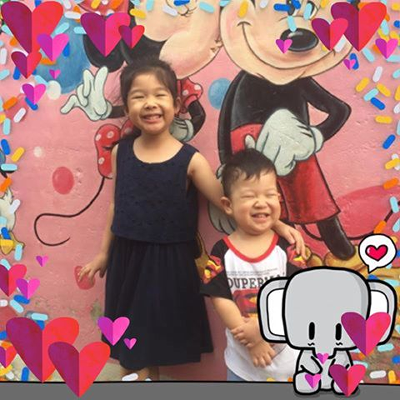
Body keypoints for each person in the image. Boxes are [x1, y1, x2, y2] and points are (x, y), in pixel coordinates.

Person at [77, 58, 305, 381]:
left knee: (148, 346)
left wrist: (277, 224)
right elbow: (116, 205)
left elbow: (227, 203)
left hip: (167, 265)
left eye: (160, 95)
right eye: (139, 96)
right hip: (126, 261)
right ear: (126, 107)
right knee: (130, 347)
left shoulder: (190, 160)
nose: (150, 103)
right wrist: (103, 253)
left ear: (176, 104)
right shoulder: (120, 153)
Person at [200, 149, 301, 381]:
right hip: (242, 367)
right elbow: (220, 298)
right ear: (228, 205)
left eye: (269, 195)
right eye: (249, 196)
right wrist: (253, 341)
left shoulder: (288, 248)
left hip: (291, 364)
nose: (261, 203)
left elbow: (296, 297)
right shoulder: (221, 252)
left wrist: (263, 329)